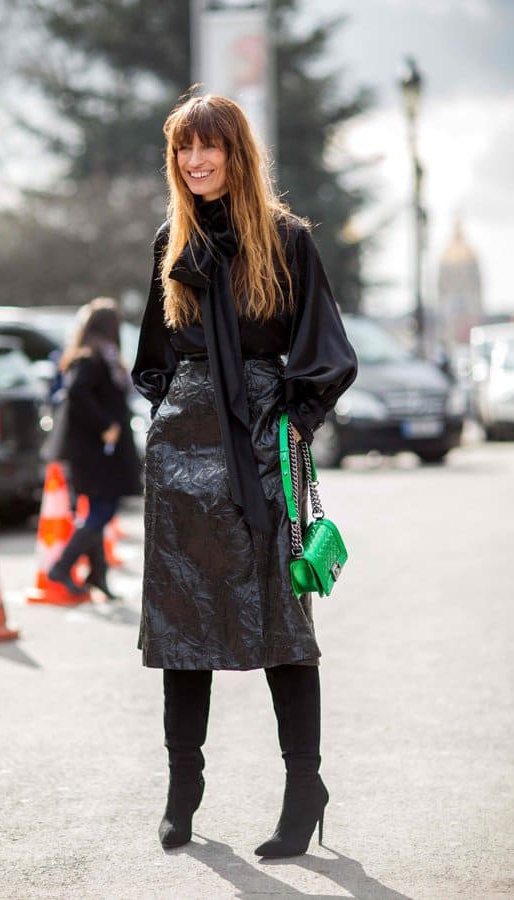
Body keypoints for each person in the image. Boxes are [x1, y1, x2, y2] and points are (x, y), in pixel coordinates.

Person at [132, 92, 358, 857]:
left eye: (209, 147)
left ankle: (304, 787)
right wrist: (172, 421)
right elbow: (153, 359)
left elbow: (327, 349)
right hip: (181, 452)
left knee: (283, 623)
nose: (196, 162)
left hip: (261, 444)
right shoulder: (172, 238)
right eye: (183, 151)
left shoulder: (287, 239)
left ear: (236, 151)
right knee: (180, 622)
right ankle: (182, 787)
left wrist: (289, 421)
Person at [48, 297, 141, 599]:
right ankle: (62, 566)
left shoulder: (99, 356)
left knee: (100, 509)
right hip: (96, 451)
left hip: (98, 451)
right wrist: (106, 425)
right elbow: (77, 394)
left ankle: (97, 576)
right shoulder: (91, 358)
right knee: (102, 509)